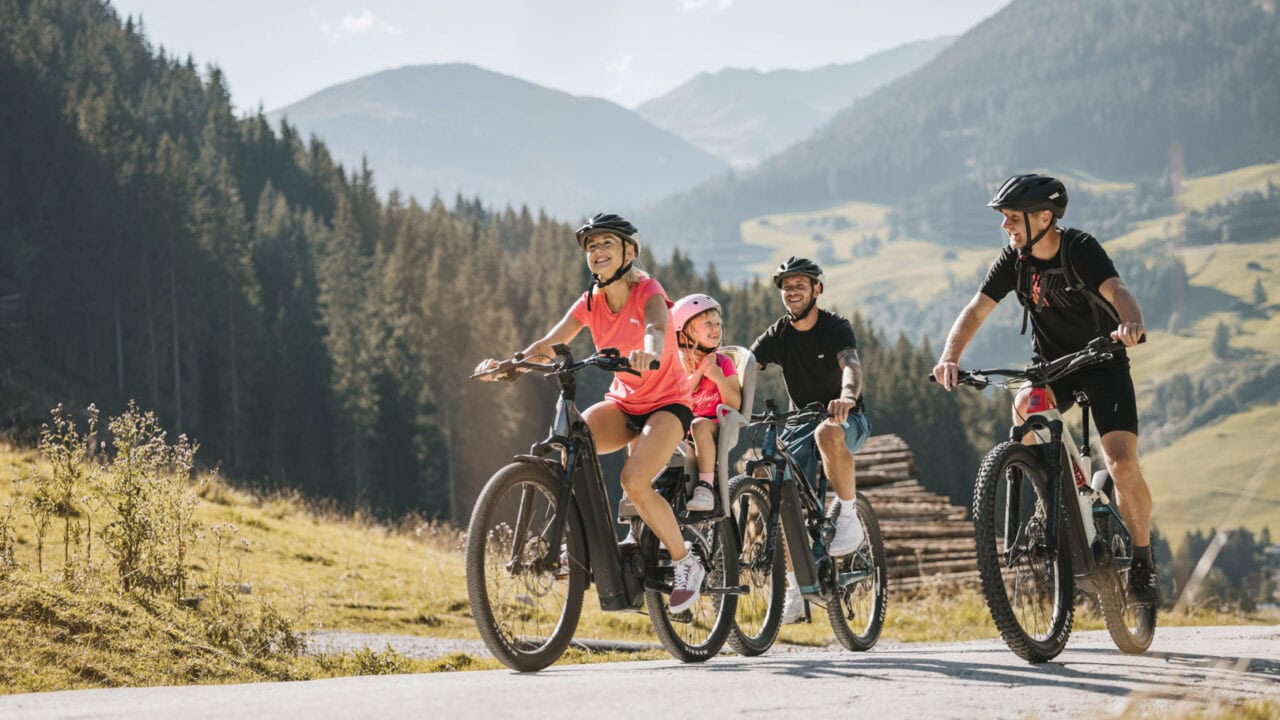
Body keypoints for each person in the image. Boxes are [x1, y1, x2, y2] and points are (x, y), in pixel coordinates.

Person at [930, 173, 1157, 605]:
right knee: (1023, 406)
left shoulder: (1080, 249)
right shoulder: (1012, 261)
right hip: (1053, 368)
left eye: (1013, 217)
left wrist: (1130, 322)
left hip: (1103, 362)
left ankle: (1142, 560)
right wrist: (949, 358)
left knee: (1122, 466)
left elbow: (1116, 289)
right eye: (1004, 218)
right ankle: (1046, 495)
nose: (1005, 226)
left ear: (1045, 218)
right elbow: (976, 310)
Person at [474, 213, 705, 612]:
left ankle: (686, 562)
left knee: (634, 481)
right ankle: (577, 542)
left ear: (628, 251)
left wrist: (649, 348)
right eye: (591, 246)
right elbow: (549, 343)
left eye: (606, 245)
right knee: (572, 445)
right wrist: (509, 365)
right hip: (624, 403)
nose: (597, 252)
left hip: (667, 403)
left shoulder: (647, 289)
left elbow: (655, 323)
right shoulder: (590, 301)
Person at [750, 256, 872, 623]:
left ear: (817, 289)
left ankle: (848, 515)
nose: (792, 290)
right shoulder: (778, 334)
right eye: (787, 286)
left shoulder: (835, 327)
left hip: (846, 417)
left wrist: (847, 398)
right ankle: (795, 587)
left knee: (827, 433)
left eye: (800, 284)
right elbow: (744, 371)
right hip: (799, 422)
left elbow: (851, 365)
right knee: (776, 486)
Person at [672, 293, 741, 513]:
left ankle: (705, 487)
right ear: (686, 331)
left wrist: (718, 377)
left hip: (715, 425)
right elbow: (680, 395)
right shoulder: (679, 366)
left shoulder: (724, 363)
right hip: (686, 429)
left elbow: (734, 404)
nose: (716, 328)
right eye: (708, 323)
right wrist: (700, 371)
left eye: (718, 323)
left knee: (699, 425)